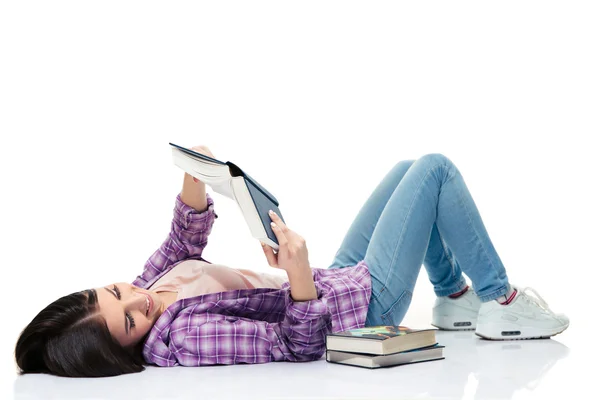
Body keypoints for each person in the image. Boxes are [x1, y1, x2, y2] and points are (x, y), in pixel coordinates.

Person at [14, 147, 569, 377]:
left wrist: (198, 176)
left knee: (406, 171)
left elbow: (183, 242)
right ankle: (502, 301)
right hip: (358, 307)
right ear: (126, 351)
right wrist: (298, 279)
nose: (139, 299)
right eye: (131, 320)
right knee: (434, 170)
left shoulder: (147, 286)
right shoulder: (184, 339)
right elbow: (295, 345)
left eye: (114, 293)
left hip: (332, 279)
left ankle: (452, 300)